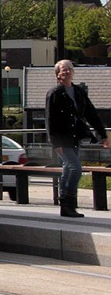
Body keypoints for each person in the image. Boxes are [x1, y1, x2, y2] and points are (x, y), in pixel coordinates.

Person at [45, 60, 109, 218]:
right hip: (62, 138)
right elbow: (49, 120)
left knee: (68, 169)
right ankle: (68, 200)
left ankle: (66, 207)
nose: (66, 72)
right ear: (58, 74)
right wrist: (55, 143)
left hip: (75, 136)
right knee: (76, 168)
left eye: (69, 69)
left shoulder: (78, 91)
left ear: (73, 72)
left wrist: (102, 135)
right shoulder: (54, 93)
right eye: (63, 70)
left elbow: (91, 113)